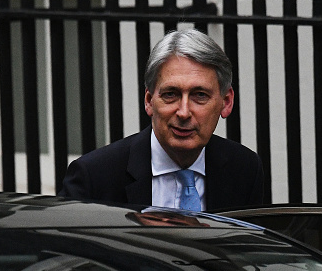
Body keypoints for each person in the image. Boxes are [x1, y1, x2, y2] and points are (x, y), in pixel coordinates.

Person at [59, 28, 264, 211]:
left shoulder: (244, 169)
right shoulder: (94, 177)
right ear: (149, 101)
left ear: (226, 102)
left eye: (200, 95)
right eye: (171, 94)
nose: (183, 112)